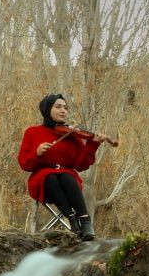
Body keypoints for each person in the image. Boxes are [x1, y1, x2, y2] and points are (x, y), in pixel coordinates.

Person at [18, 93, 113, 241]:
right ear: (47, 109)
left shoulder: (71, 134)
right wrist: (37, 153)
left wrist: (93, 144)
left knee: (67, 176)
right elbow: (24, 163)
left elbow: (80, 165)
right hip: (42, 182)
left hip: (68, 182)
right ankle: (72, 219)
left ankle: (84, 220)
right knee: (49, 176)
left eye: (65, 108)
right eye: (58, 107)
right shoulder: (33, 132)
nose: (63, 111)